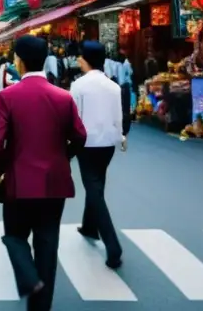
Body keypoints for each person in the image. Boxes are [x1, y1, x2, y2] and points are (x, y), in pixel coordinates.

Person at [0, 36, 87, 311]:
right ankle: (41, 305)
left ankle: (29, 279)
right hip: (54, 181)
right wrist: (63, 157)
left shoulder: (8, 96)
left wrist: (0, 172)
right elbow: (80, 136)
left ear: (18, 60)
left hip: (18, 181)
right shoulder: (63, 97)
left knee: (15, 236)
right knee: (47, 243)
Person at [70, 42, 127, 269]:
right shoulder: (113, 86)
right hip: (108, 143)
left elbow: (74, 117)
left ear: (85, 59)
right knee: (97, 183)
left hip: (87, 142)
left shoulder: (79, 85)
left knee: (93, 189)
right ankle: (89, 226)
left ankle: (113, 246)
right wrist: (121, 136)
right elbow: (119, 117)